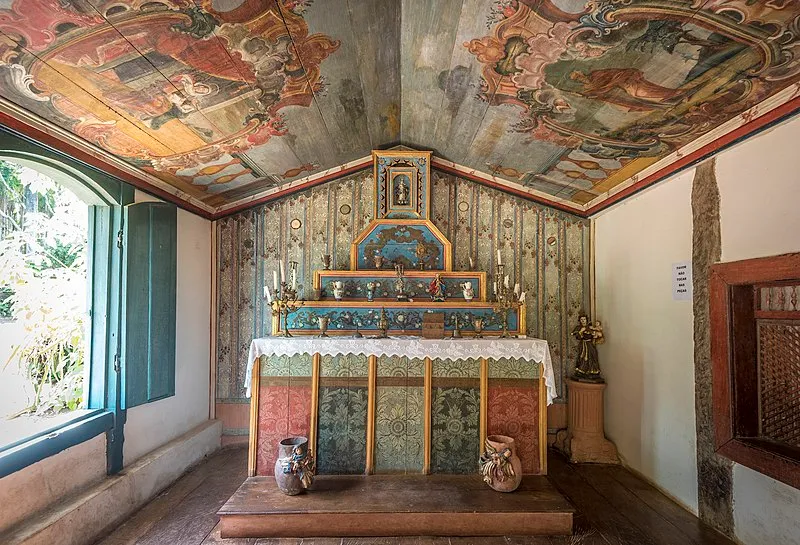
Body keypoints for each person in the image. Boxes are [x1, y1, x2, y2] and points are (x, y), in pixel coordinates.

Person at [572, 313, 602, 381]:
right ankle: (582, 370)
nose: (583, 321)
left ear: (586, 320)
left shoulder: (590, 327)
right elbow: (577, 336)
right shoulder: (579, 328)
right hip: (583, 344)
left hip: (590, 344)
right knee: (582, 357)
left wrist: (594, 334)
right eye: (581, 319)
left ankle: (593, 371)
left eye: (584, 319)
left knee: (592, 356)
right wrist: (580, 332)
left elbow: (595, 334)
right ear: (579, 320)